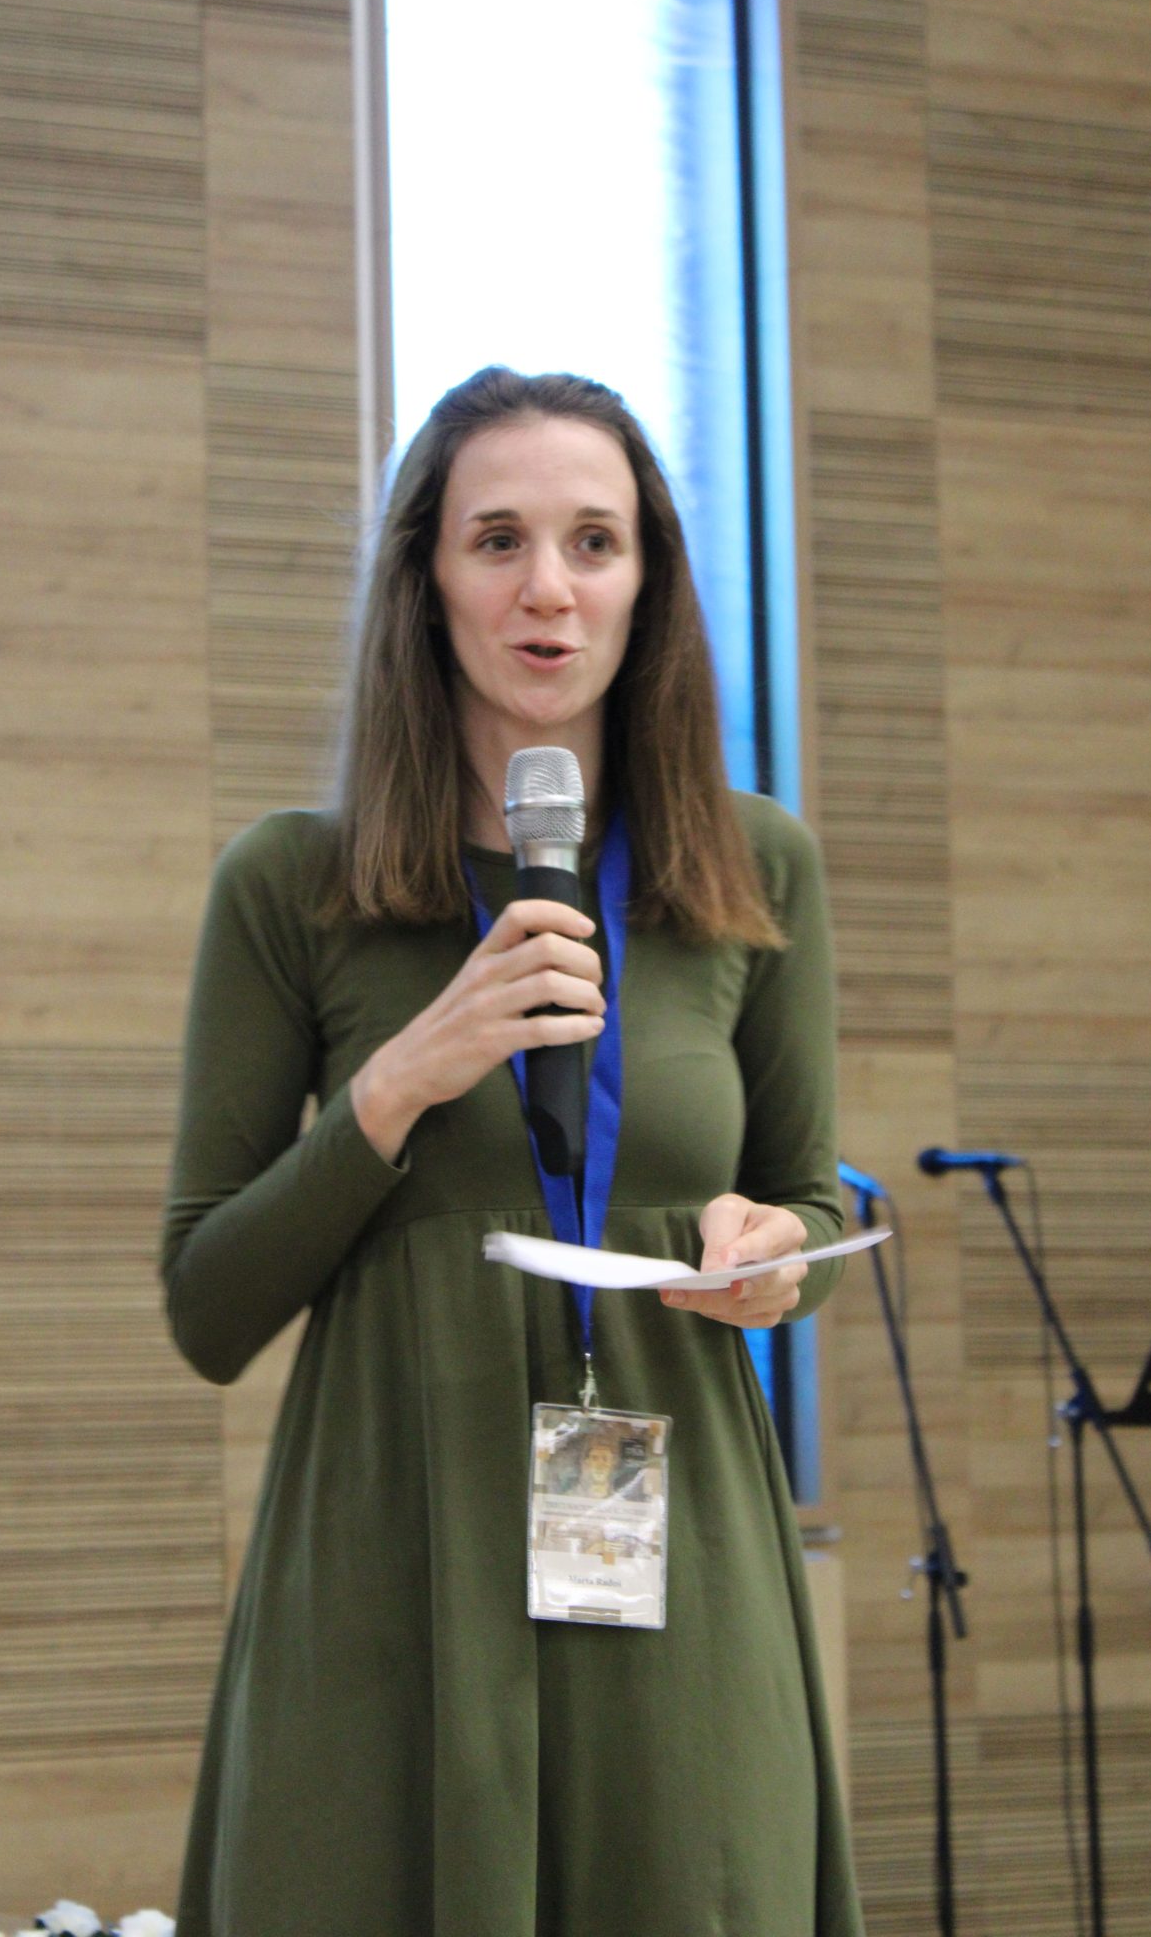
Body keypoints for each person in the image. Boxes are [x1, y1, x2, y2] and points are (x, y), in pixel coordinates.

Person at [161, 366, 864, 1936]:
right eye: (497, 540)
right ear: (426, 579)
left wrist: (780, 1263)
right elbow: (206, 1304)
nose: (547, 588)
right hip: (392, 1553)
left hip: (676, 1538)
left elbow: (810, 1197)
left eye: (593, 542)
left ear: (646, 585)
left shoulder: (756, 866)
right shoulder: (292, 884)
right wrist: (397, 1085)